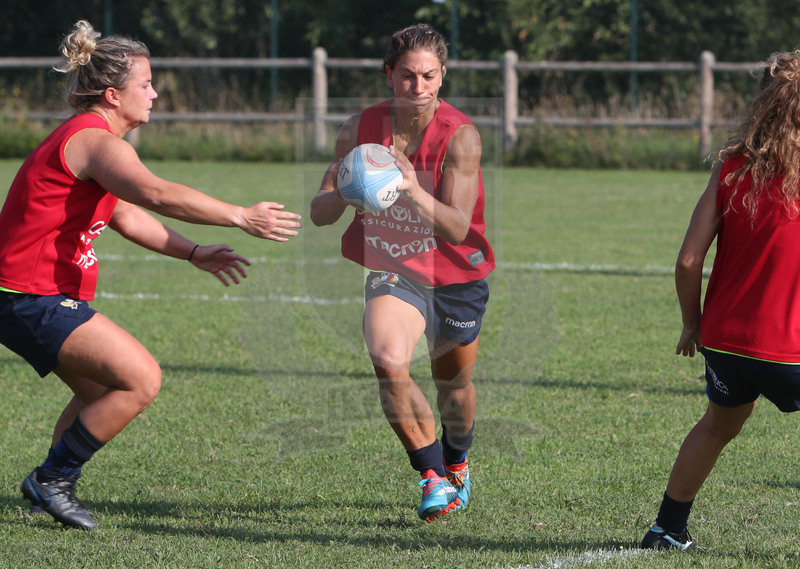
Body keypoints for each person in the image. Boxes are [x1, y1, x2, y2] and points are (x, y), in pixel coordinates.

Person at [0, 20, 302, 530]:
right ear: (114, 95)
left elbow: (126, 215)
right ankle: (51, 480)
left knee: (101, 393)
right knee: (141, 380)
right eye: (146, 84)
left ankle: (50, 488)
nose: (155, 93)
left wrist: (192, 253)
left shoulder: (91, 142)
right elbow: (156, 195)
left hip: (24, 295)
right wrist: (239, 215)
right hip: (29, 294)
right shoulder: (96, 141)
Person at [310, 23, 494, 522]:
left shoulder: (461, 135)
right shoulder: (359, 130)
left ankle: (457, 461)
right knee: (389, 359)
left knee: (453, 388)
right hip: (394, 267)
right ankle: (431, 476)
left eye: (429, 77)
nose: (419, 88)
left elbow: (457, 228)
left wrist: (410, 187)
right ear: (389, 75)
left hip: (456, 275)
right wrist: (347, 189)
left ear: (443, 76)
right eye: (407, 76)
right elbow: (320, 212)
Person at [641, 50, 800, 551]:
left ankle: (666, 529)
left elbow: (688, 261)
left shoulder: (732, 168)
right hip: (789, 347)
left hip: (726, 342)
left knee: (717, 426)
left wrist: (692, 325)